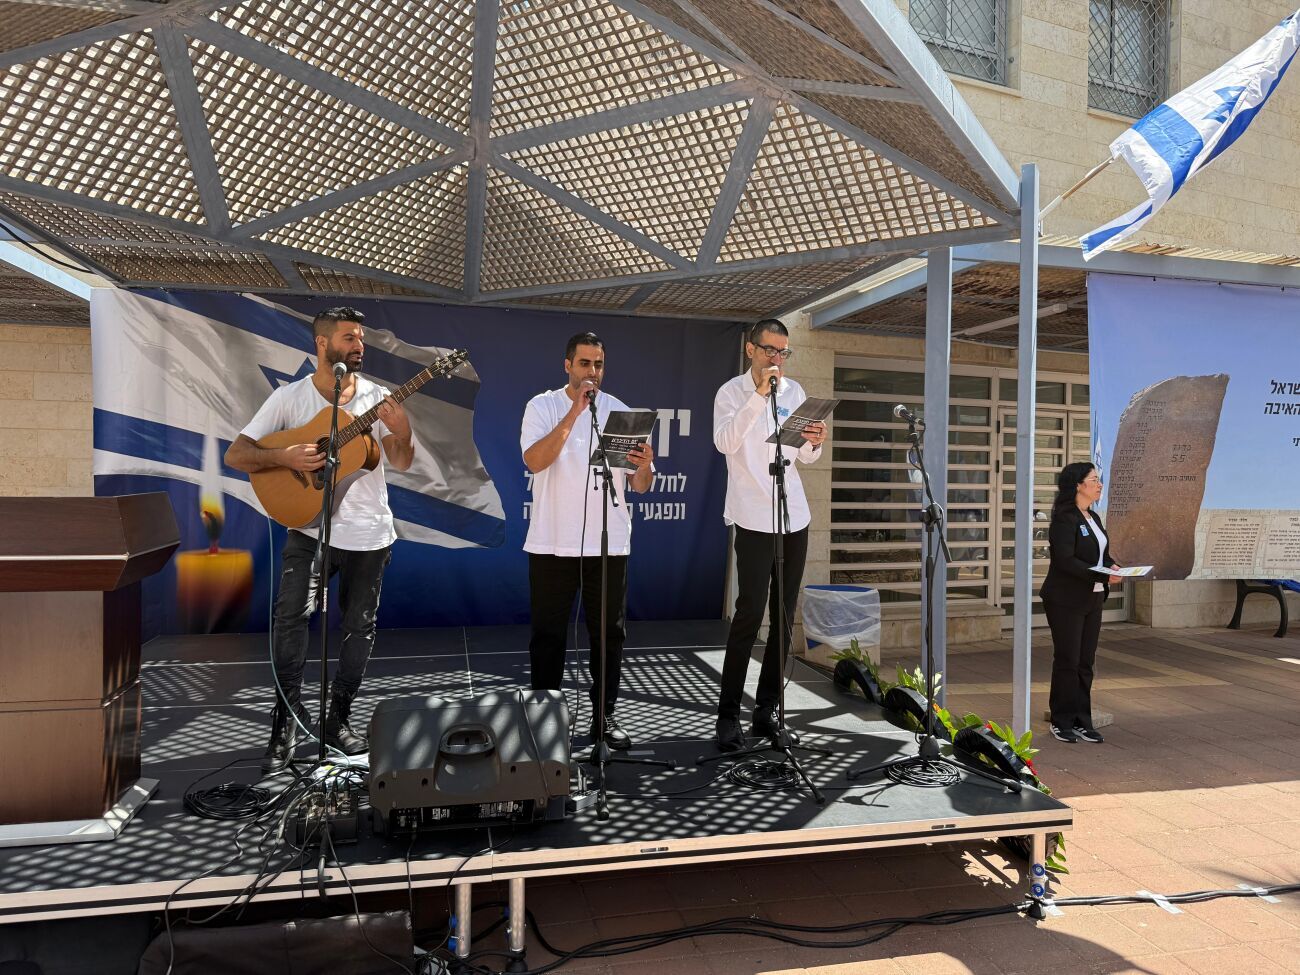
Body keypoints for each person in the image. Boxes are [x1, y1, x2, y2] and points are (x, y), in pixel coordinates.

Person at [225, 307, 414, 773]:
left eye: (361, 338)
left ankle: (338, 718)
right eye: (349, 337)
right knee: (289, 618)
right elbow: (237, 454)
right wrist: (285, 456)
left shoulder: (378, 397)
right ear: (322, 344)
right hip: (308, 529)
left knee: (359, 628)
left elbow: (401, 461)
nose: (359, 345)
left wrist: (403, 431)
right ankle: (287, 720)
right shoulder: (289, 397)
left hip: (369, 532)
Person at [521, 332, 654, 750]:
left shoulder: (620, 412)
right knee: (548, 636)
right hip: (552, 542)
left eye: (598, 364)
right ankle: (545, 718)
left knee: (609, 635)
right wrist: (574, 413)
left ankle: (604, 716)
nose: (592, 371)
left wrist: (644, 466)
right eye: (584, 363)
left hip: (608, 544)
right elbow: (534, 460)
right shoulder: (542, 406)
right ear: (567, 365)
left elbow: (641, 486)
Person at [712, 319, 827, 751]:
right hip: (752, 517)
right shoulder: (731, 392)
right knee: (748, 615)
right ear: (751, 350)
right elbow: (725, 442)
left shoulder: (795, 392)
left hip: (792, 516)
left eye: (783, 352)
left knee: (783, 615)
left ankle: (767, 710)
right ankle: (727, 716)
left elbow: (805, 457)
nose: (777, 359)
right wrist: (759, 395)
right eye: (769, 350)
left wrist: (815, 440)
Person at [1039, 462, 1124, 744]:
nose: (1099, 485)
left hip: (1093, 597)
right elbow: (1065, 560)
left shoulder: (1093, 517)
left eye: (1099, 480)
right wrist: (1101, 573)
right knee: (1068, 660)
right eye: (1094, 480)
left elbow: (1101, 556)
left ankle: (1081, 721)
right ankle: (1061, 721)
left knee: (1086, 662)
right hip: (1066, 599)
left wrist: (1113, 566)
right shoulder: (1064, 519)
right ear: (1078, 485)